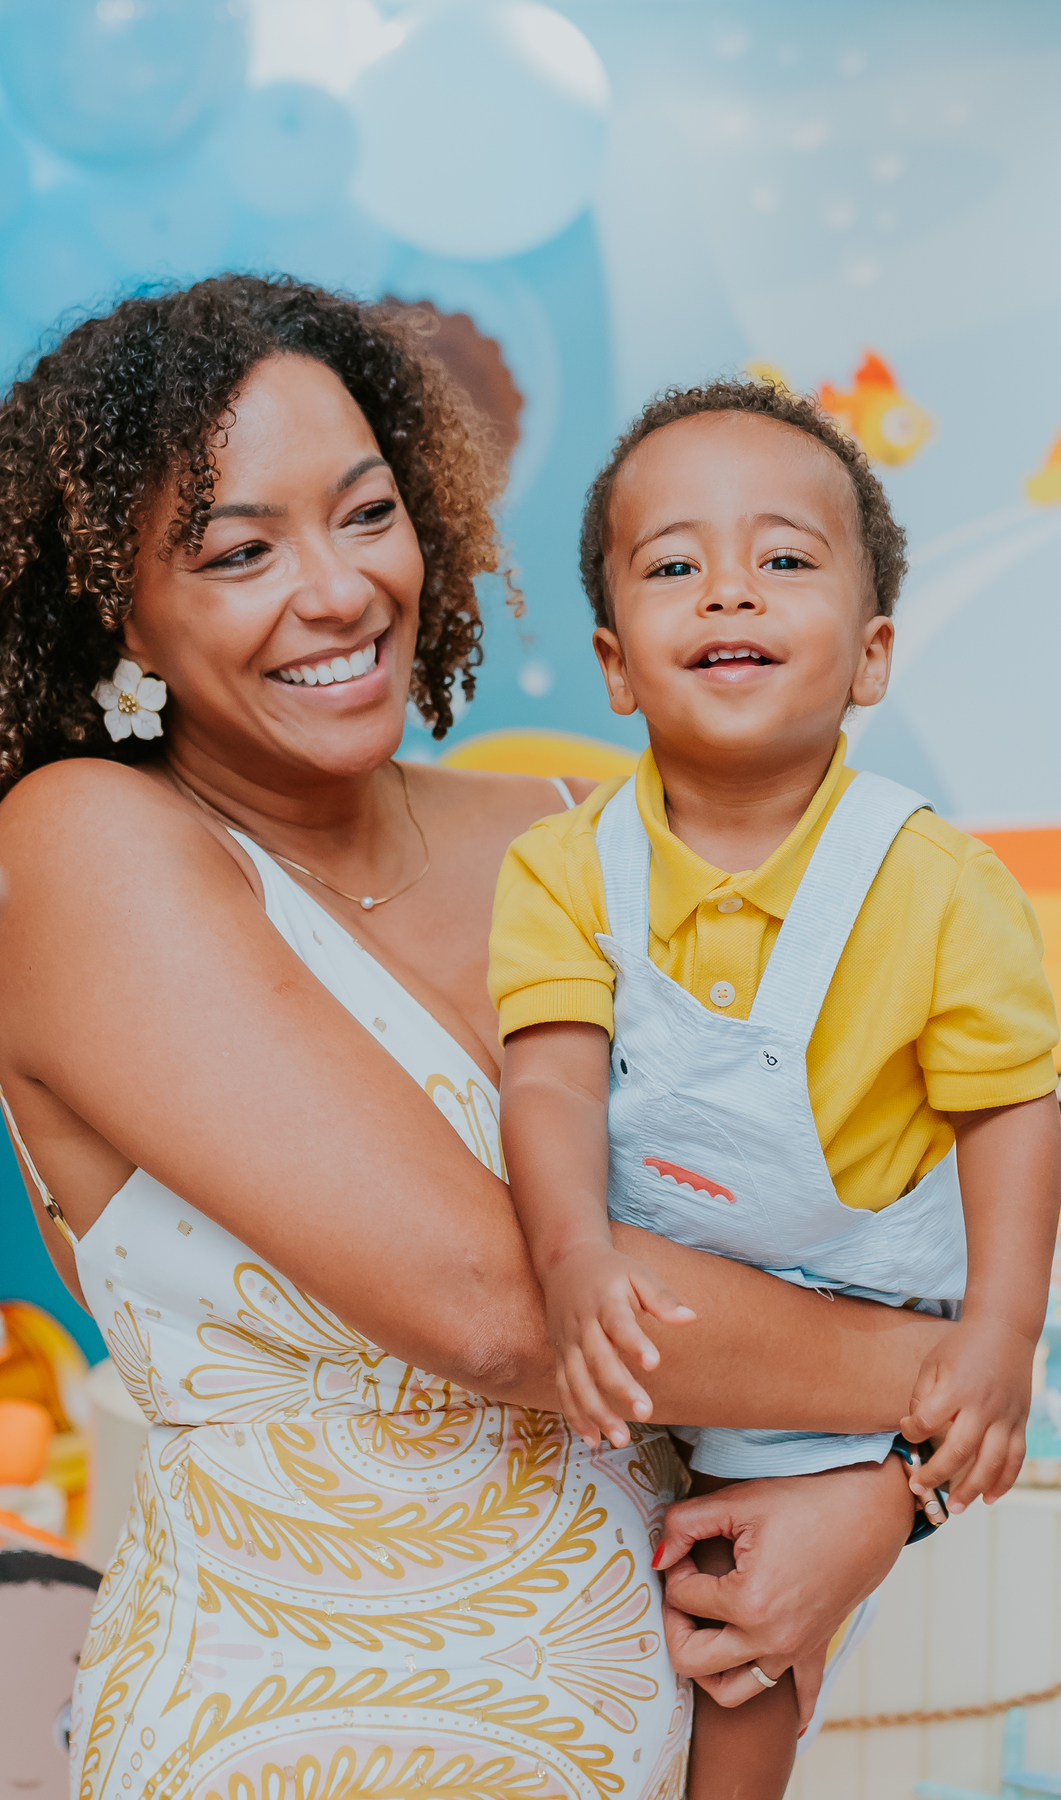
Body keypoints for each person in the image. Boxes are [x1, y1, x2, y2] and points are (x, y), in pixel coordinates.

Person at [0, 279, 955, 1799]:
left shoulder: (593, 837)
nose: (337, 590)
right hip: (294, 1744)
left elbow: (846, 1228)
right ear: (113, 604)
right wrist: (962, 1384)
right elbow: (498, 1309)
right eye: (241, 551)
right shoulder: (80, 850)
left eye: (366, 513)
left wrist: (892, 1498)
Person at [490, 379, 1061, 1797]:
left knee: (734, 1638)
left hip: (852, 1319)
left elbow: (1007, 1113)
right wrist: (569, 1256)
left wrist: (1002, 1333)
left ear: (871, 656)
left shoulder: (939, 885)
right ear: (617, 665)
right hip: (655, 1291)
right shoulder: (562, 872)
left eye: (785, 559)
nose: (729, 591)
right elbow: (551, 1084)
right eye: (674, 566)